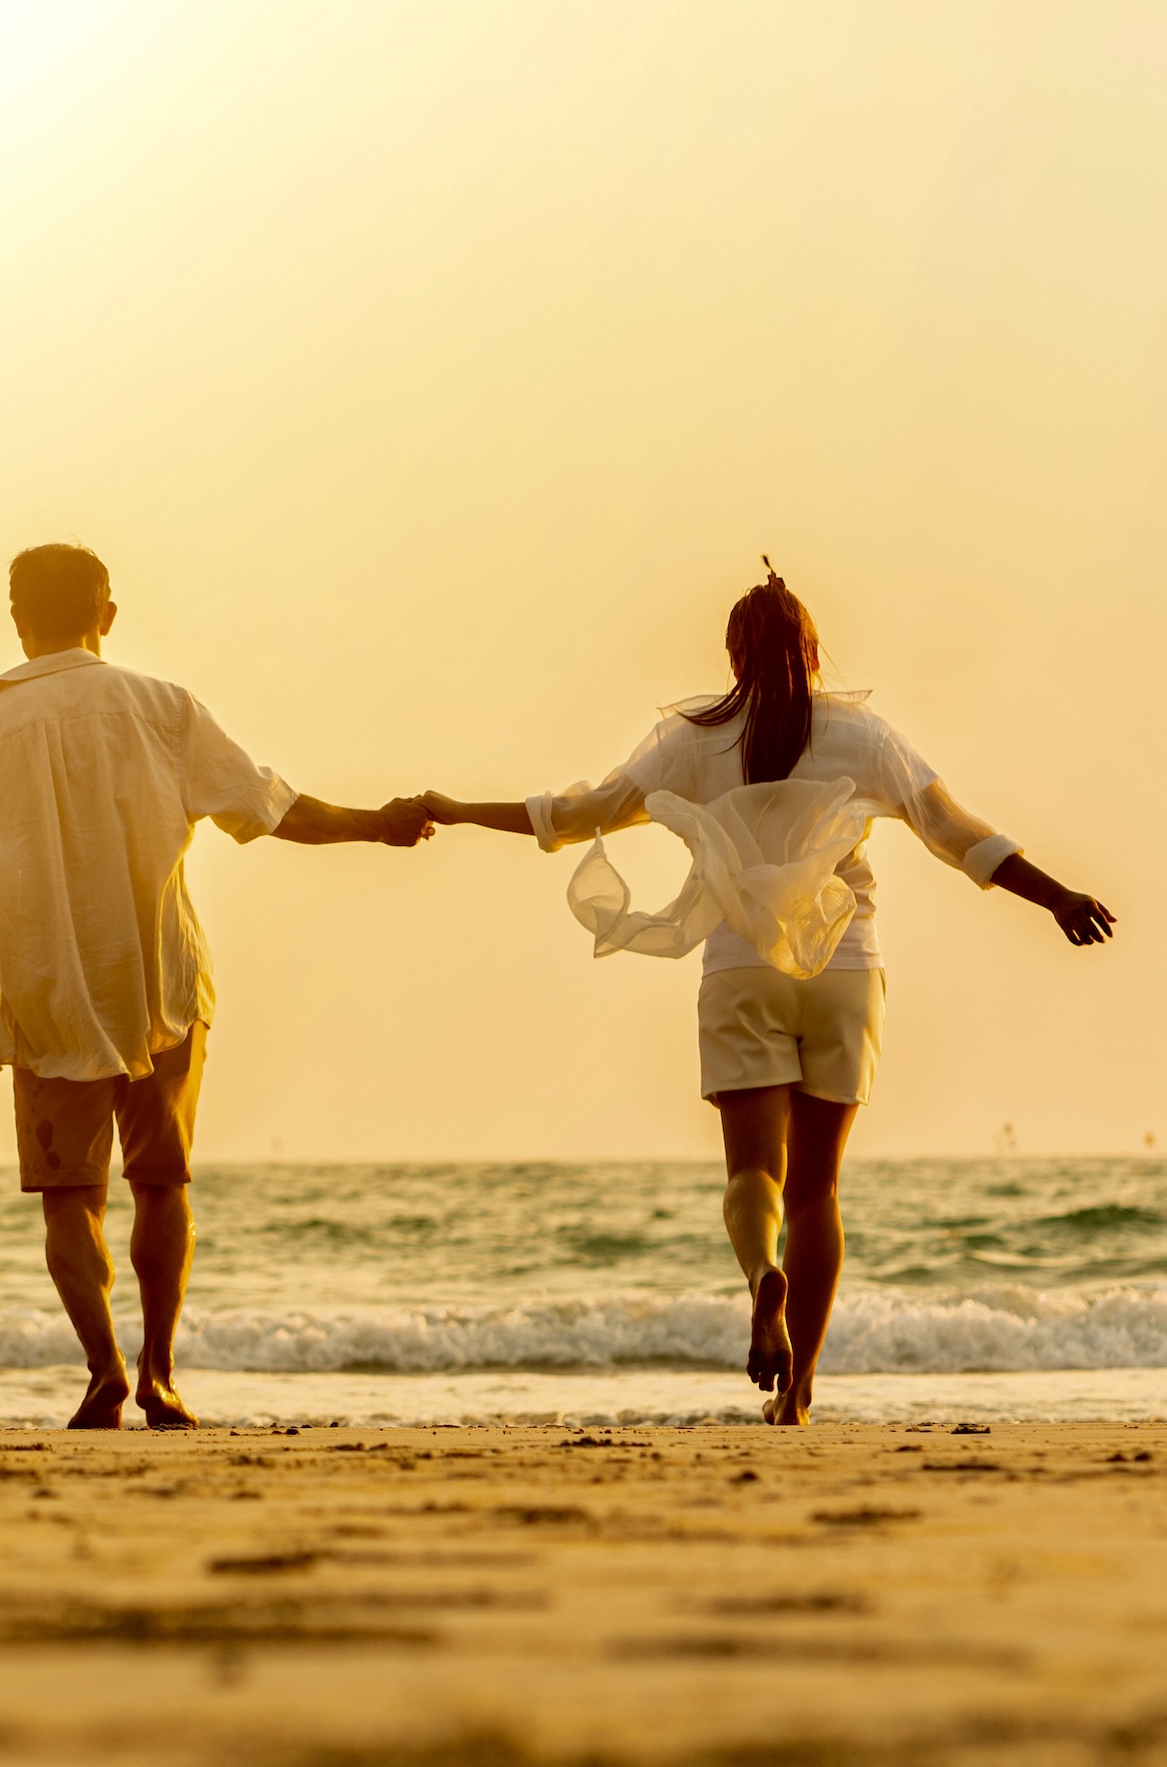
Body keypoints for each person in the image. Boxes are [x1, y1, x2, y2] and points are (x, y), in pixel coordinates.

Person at [420, 566, 1114, 1425]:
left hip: (739, 969)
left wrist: (452, 807)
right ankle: (801, 1394)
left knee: (754, 1173)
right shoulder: (864, 736)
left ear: (733, 653)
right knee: (818, 1192)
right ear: (813, 649)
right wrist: (1058, 898)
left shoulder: (687, 740)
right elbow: (957, 835)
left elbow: (576, 813)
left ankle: (762, 1278)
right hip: (845, 969)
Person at [0, 543, 434, 1430]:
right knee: (161, 1183)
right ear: (106, 613)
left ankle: (102, 1372)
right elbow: (271, 809)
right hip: (157, 980)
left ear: (17, 621)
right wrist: (376, 828)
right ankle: (160, 1374)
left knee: (69, 1199)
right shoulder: (162, 709)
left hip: (42, 992)